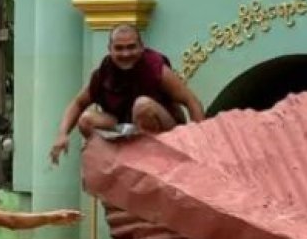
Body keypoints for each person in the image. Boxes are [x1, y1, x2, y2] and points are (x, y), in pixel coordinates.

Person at [49, 23, 205, 165]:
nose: (125, 53)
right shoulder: (103, 74)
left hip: (164, 130)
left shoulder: (156, 69)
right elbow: (78, 103)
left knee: (142, 105)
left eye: (131, 47)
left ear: (142, 47)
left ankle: (148, 159)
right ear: (110, 49)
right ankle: (108, 161)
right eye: (119, 48)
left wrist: (201, 146)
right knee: (86, 119)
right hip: (127, 129)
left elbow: (192, 101)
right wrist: (62, 134)